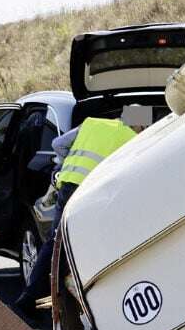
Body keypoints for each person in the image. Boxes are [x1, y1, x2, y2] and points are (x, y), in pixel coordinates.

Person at [16, 107, 146, 310]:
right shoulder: (132, 139)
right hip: (91, 193)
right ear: (139, 125)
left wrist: (65, 163)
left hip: (67, 185)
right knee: (91, 242)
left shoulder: (92, 122)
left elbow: (57, 144)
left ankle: (32, 295)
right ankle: (81, 296)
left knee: (56, 241)